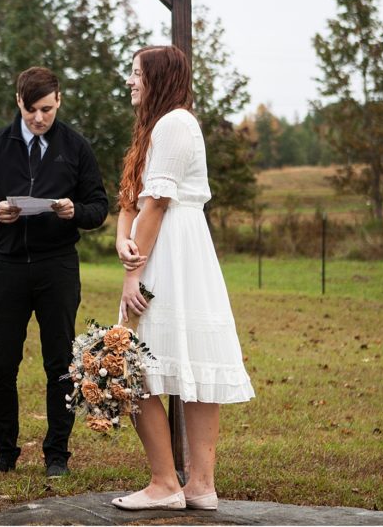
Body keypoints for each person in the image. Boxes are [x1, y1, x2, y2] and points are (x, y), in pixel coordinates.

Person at [111, 45, 255, 511]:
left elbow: (156, 204)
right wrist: (121, 241)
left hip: (173, 252)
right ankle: (191, 485)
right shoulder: (152, 129)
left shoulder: (175, 123)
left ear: (158, 78)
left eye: (136, 74)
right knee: (150, 362)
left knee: (134, 364)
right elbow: (131, 200)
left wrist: (135, 273)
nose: (130, 81)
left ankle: (173, 484)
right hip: (157, 247)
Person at [0, 66, 109, 479]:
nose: (39, 118)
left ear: (59, 100)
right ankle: (4, 453)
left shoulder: (77, 147)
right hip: (8, 267)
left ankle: (57, 456)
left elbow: (98, 206)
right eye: (31, 111)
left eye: (46, 109)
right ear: (18, 103)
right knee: (1, 364)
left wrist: (74, 211)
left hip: (57, 267)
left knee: (60, 364)